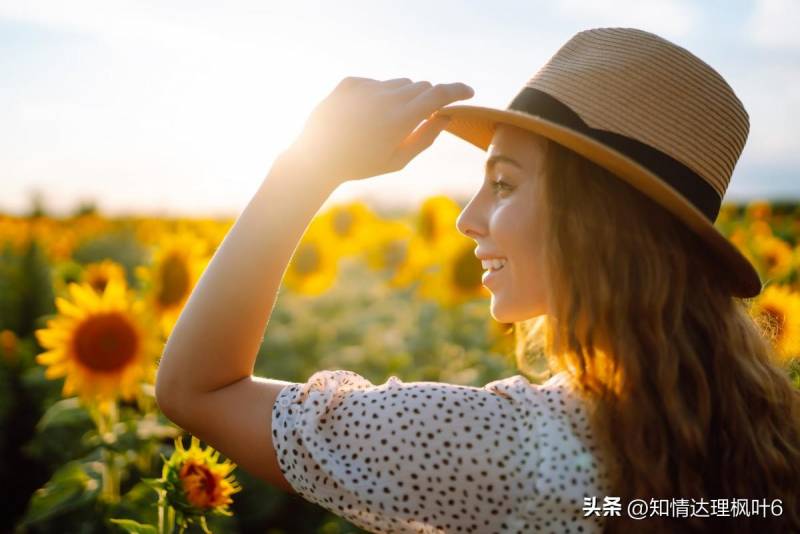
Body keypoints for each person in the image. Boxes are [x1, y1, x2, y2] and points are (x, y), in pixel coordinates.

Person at [154, 28, 800, 533]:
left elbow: (196, 388)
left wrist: (303, 169)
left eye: (503, 184)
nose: (467, 220)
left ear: (595, 220)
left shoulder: (503, 447)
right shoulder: (765, 426)